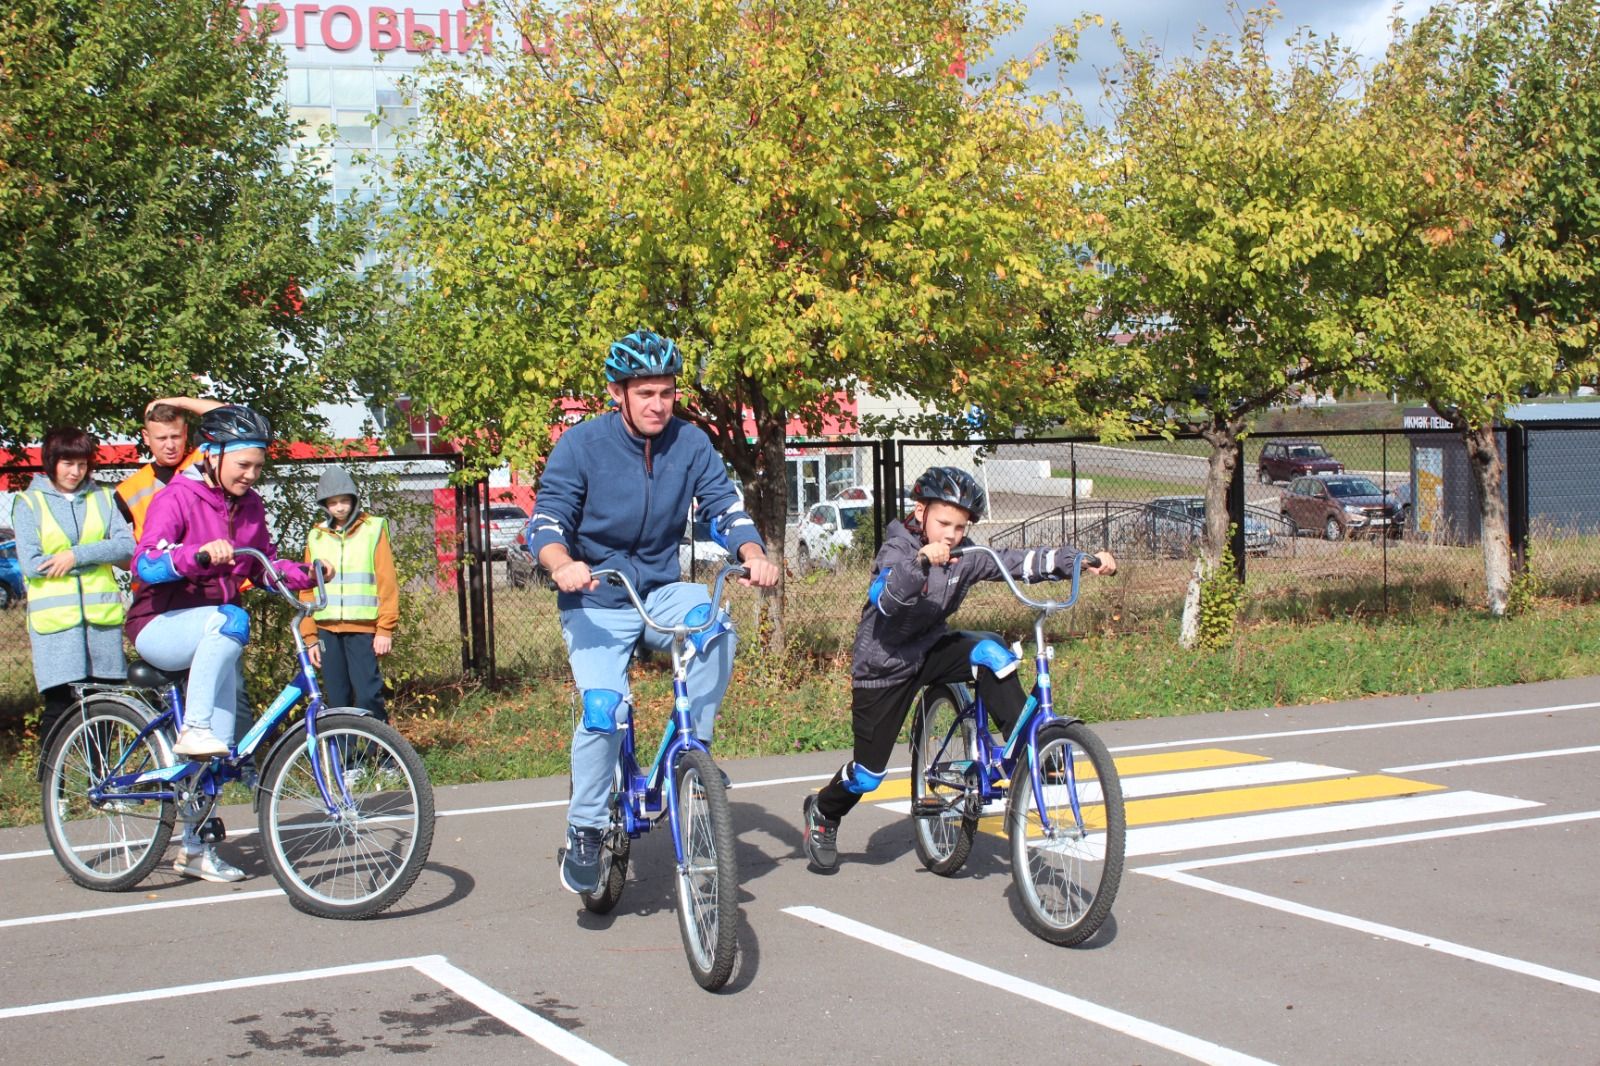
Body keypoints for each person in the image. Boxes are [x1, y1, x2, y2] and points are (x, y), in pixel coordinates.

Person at [528, 329, 781, 894]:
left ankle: (695, 752)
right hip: (594, 596)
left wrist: (753, 552)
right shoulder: (582, 445)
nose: (657, 405)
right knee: (602, 708)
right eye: (644, 393)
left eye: (666, 392)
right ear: (617, 392)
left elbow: (724, 506)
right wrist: (560, 562)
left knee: (713, 617)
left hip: (660, 592)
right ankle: (588, 828)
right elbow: (546, 520)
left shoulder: (689, 445)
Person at [799, 466, 1117, 871]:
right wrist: (919, 563)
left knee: (992, 651)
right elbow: (886, 599)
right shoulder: (896, 550)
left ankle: (1026, 749)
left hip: (931, 650)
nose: (951, 534)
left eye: (960, 526)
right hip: (884, 667)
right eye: (944, 522)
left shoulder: (966, 557)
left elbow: (1017, 561)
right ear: (920, 512)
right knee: (867, 775)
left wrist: (1077, 560)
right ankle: (824, 812)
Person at [125, 405, 323, 883]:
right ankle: (192, 726)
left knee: (221, 750)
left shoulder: (250, 506)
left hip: (215, 633)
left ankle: (193, 849)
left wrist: (308, 574)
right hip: (160, 625)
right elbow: (145, 564)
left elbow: (263, 565)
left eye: (258, 467)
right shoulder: (177, 497)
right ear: (212, 455)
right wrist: (194, 556)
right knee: (233, 619)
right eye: (243, 466)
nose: (251, 476)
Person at [11, 427, 135, 743]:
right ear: (52, 462)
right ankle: (55, 788)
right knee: (59, 711)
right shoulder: (29, 502)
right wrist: (98, 552)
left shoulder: (104, 498)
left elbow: (126, 547)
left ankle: (103, 786)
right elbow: (32, 564)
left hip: (101, 627)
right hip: (57, 629)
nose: (75, 472)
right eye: (68, 463)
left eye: (81, 464)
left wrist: (74, 555)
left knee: (105, 712)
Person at [298, 466, 399, 721]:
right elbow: (307, 588)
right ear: (325, 505)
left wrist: (385, 628)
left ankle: (383, 755)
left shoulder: (373, 529)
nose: (340, 508)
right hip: (326, 630)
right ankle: (345, 758)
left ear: (354, 500)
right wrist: (310, 636)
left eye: (344, 501)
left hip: (363, 629)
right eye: (333, 503)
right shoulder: (316, 536)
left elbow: (386, 580)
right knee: (337, 699)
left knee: (368, 694)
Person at [115, 396, 223, 540]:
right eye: (162, 438)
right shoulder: (128, 490)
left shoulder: (205, 460)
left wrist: (181, 402)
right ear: (146, 437)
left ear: (185, 432)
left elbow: (233, 417)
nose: (170, 446)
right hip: (158, 562)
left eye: (176, 436)